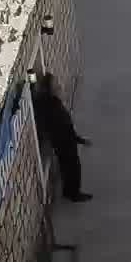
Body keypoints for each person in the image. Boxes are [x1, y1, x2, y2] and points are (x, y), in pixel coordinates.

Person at [32, 72, 92, 202]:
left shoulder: (48, 102)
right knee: (73, 168)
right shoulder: (51, 105)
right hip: (64, 142)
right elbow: (63, 127)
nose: (58, 86)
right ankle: (74, 194)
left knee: (67, 167)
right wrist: (78, 139)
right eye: (55, 85)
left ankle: (68, 191)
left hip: (61, 140)